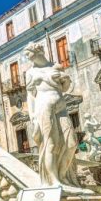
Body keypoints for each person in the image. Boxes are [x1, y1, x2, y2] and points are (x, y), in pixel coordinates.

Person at [24, 43, 79, 189]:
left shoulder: (55, 67)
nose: (29, 58)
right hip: (44, 106)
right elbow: (30, 95)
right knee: (50, 144)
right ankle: (54, 180)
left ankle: (63, 176)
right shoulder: (30, 72)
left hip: (61, 106)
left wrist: (66, 80)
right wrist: (33, 116)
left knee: (71, 143)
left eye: (30, 54)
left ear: (39, 52)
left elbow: (65, 88)